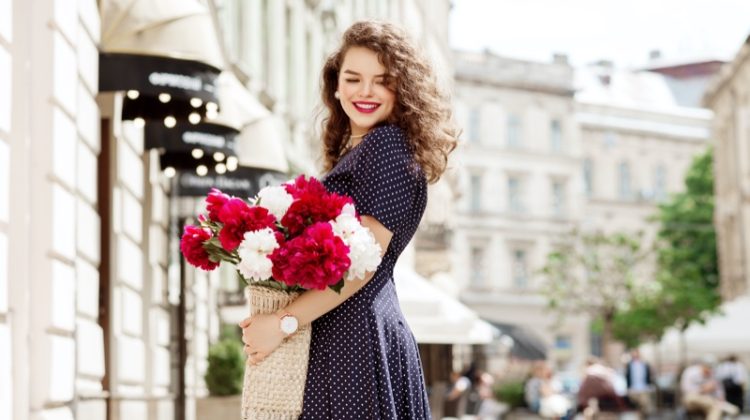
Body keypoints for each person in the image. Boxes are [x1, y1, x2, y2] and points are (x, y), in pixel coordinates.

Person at [239, 20, 458, 419]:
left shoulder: (386, 147)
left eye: (382, 80)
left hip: (354, 341)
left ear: (402, 90)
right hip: (347, 334)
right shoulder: (365, 150)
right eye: (353, 78)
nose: (365, 91)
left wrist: (283, 323)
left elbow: (364, 261)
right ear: (336, 86)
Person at [625, 349, 655, 416]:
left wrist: (649, 385)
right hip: (633, 389)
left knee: (644, 401)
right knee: (639, 402)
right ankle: (641, 414)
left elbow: (648, 376)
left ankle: (642, 414)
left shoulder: (644, 364)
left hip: (643, 388)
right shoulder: (629, 365)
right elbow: (627, 376)